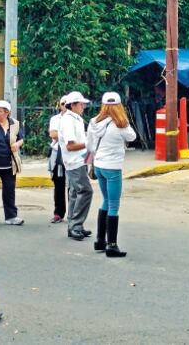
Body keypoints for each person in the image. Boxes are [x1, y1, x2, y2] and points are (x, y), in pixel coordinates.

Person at [88, 92, 136, 257]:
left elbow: (90, 145)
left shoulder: (94, 122)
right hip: (113, 168)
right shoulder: (121, 124)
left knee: (106, 200)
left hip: (99, 166)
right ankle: (112, 245)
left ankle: (100, 240)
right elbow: (132, 136)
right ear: (119, 106)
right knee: (114, 204)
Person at [58, 91, 93, 240]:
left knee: (75, 193)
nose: (83, 107)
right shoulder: (68, 120)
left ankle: (73, 225)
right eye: (81, 104)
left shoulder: (76, 118)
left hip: (80, 160)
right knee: (85, 191)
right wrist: (89, 144)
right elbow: (70, 146)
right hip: (74, 161)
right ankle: (76, 225)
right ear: (72, 105)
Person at [48, 96, 68, 223]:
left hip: (73, 155)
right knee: (59, 185)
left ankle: (74, 214)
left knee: (73, 186)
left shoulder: (77, 119)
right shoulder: (55, 119)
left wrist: (61, 134)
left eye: (67, 103)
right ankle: (58, 213)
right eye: (63, 103)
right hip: (58, 154)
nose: (65, 106)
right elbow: (53, 134)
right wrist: (68, 135)